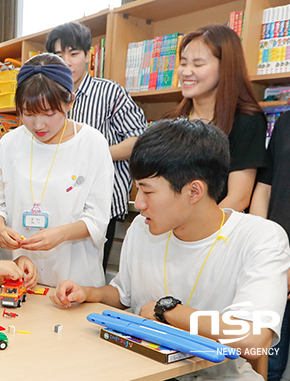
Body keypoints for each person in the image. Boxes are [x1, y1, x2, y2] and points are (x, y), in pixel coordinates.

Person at [51, 118, 290, 380]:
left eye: (148, 191)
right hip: (147, 370)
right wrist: (89, 293)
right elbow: (123, 295)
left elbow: (253, 339)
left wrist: (167, 311)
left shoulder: (259, 238)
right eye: (137, 189)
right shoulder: (143, 228)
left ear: (194, 191)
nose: (139, 203)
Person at [0, 53, 114, 288]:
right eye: (28, 114)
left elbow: (97, 219)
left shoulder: (93, 144)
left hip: (75, 282)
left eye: (49, 114)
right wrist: (0, 230)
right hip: (17, 275)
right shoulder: (9, 143)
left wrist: (60, 234)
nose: (38, 125)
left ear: (69, 101)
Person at [46, 21, 147, 271]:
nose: (66, 62)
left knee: (88, 272)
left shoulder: (110, 93)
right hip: (55, 199)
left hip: (100, 202)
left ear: (89, 56)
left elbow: (139, 140)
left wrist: (92, 156)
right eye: (58, 55)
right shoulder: (46, 95)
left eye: (74, 54)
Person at [164, 24, 268, 212]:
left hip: (214, 232)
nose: (186, 72)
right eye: (183, 63)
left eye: (198, 64)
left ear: (225, 67)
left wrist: (196, 229)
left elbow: (238, 198)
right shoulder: (171, 121)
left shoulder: (246, 121)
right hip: (169, 228)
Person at [250, 111, 290, 381]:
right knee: (268, 362)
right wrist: (260, 248)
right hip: (277, 260)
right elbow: (263, 189)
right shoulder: (286, 120)